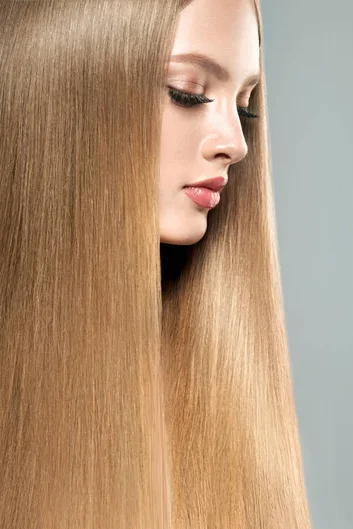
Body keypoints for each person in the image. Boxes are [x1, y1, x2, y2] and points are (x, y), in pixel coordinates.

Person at [0, 1, 313, 528]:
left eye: (245, 105)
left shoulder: (215, 415)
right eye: (187, 93)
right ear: (54, 94)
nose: (236, 144)